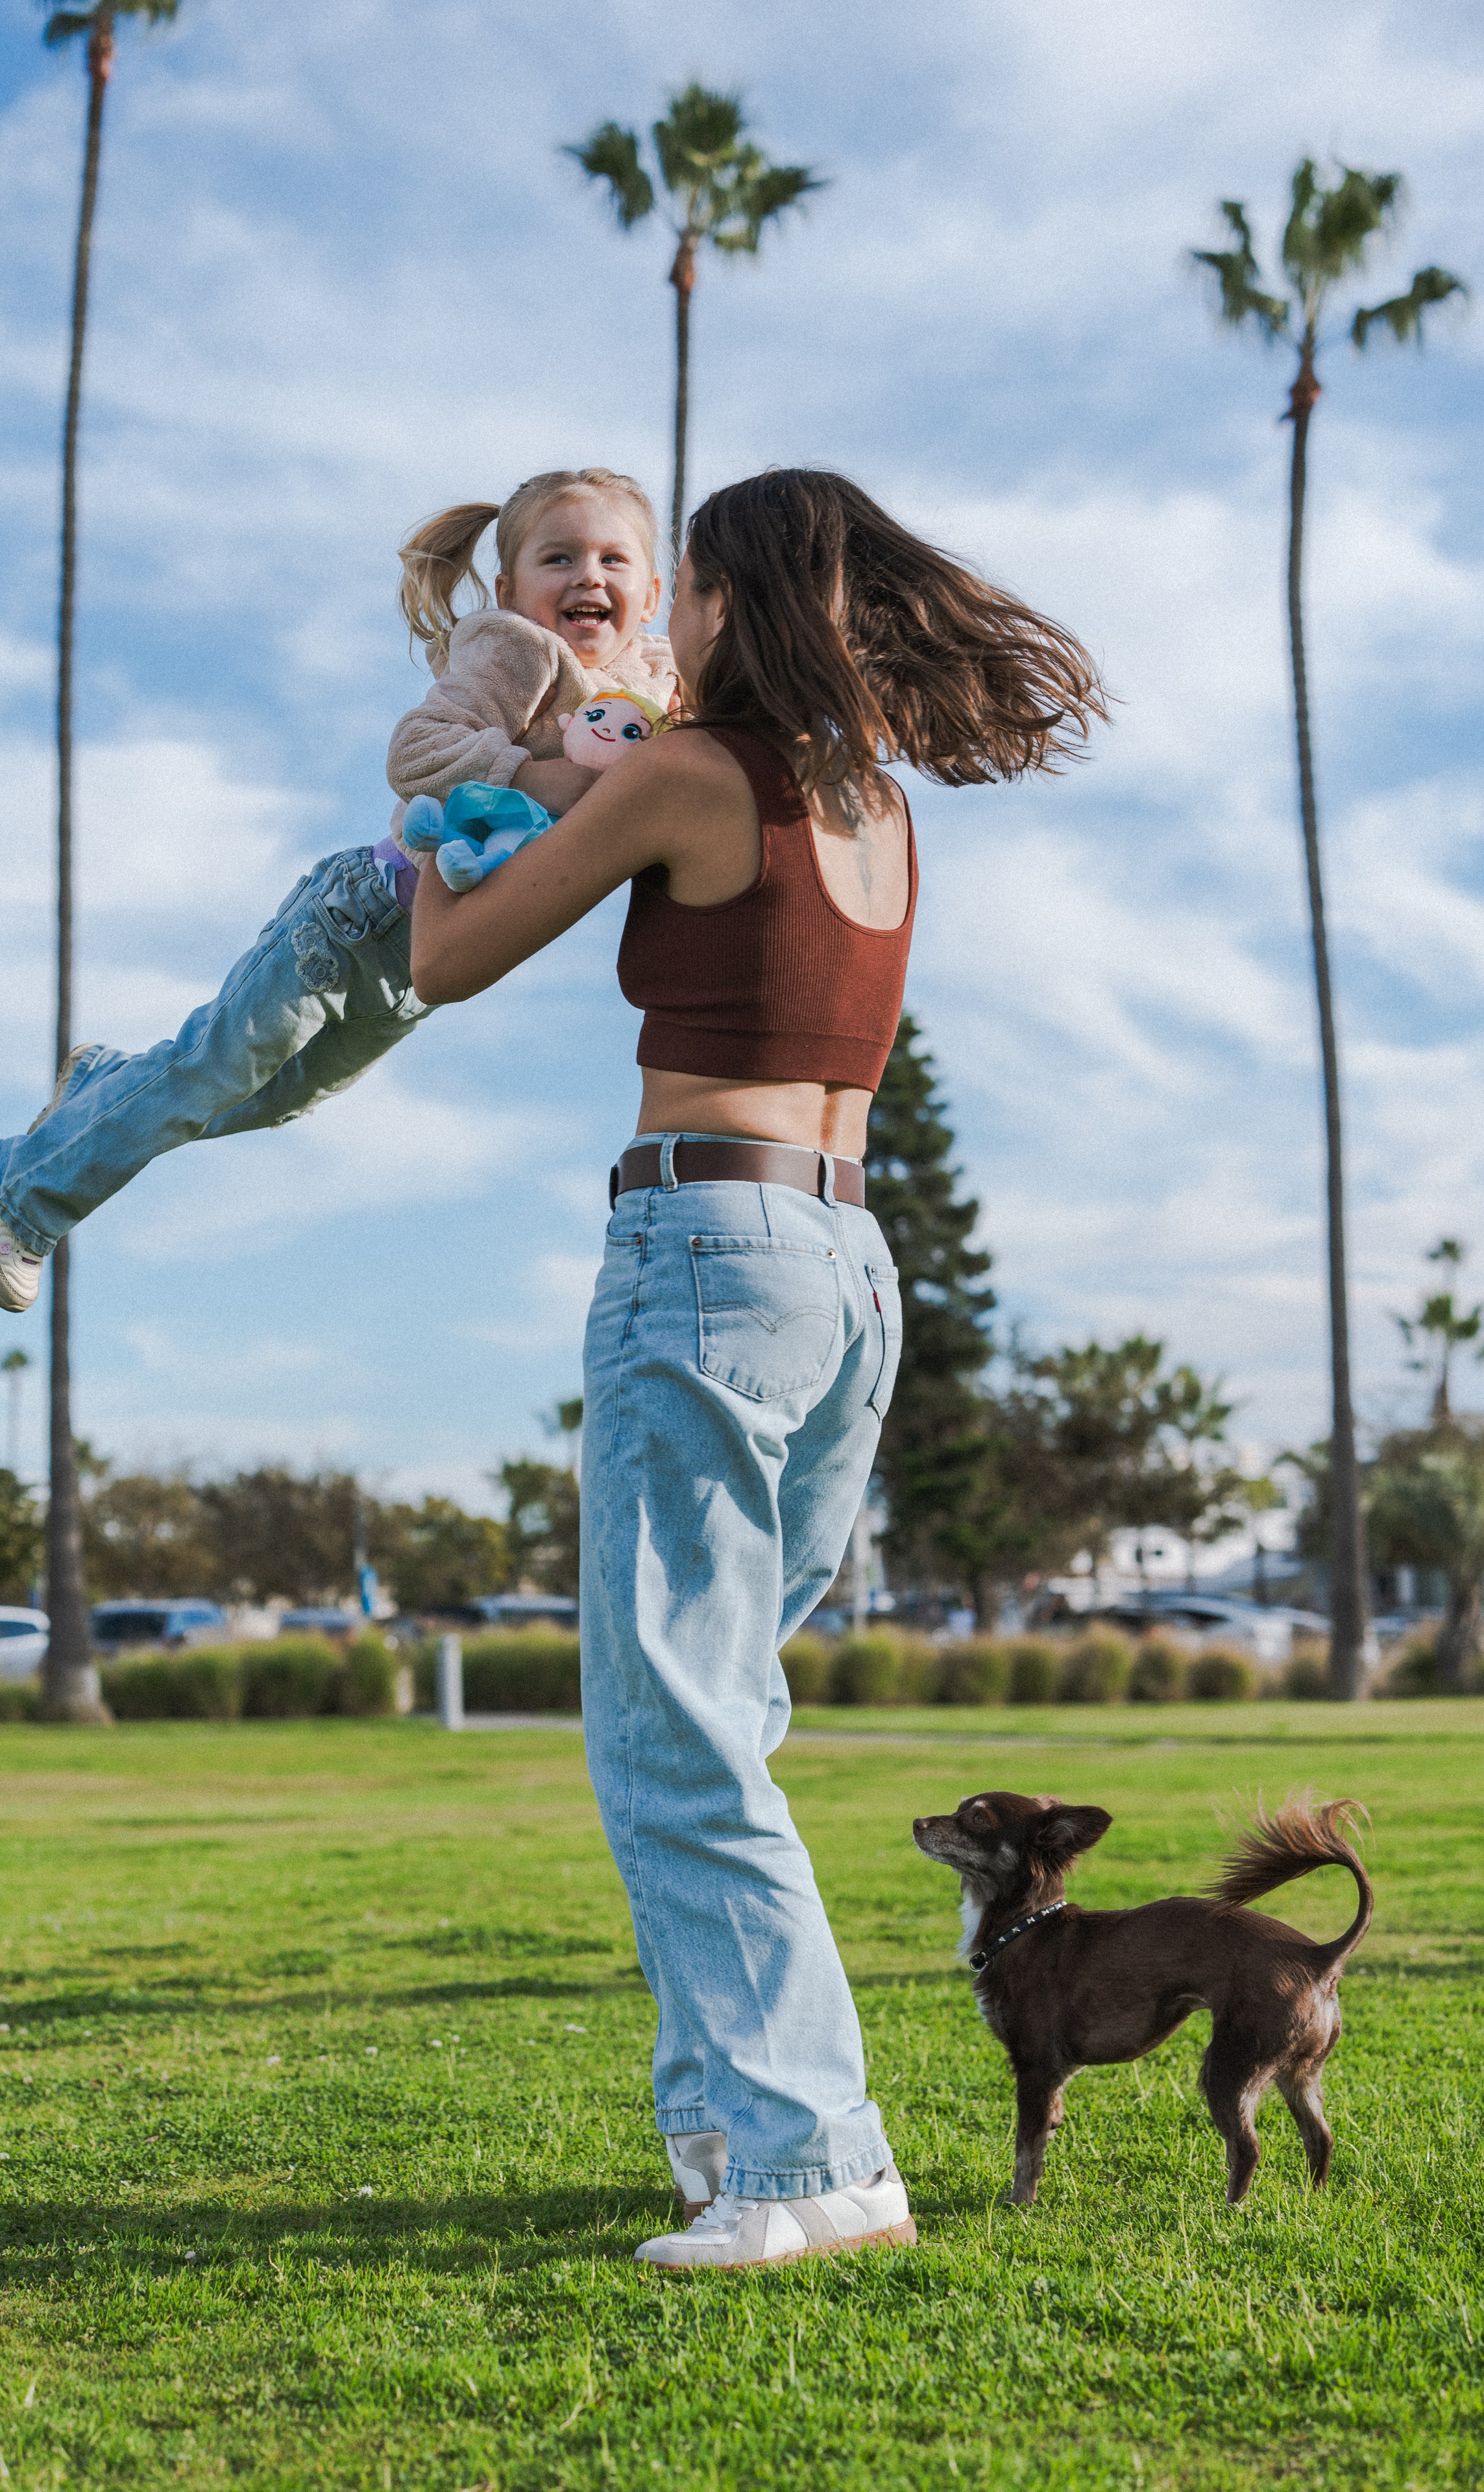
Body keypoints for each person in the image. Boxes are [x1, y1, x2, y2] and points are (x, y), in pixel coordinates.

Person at [409, 467, 1105, 2270]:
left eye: (682, 589)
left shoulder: (691, 774)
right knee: (724, 1716)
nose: (661, 613)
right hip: (847, 1268)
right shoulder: (874, 806)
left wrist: (446, 778)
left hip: (707, 1251)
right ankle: (746, 2134)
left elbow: (454, 951)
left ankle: (808, 2167)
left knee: (674, 1735)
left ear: (728, 599)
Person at [0, 468, 675, 1311]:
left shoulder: (658, 689)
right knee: (207, 1074)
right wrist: (542, 777)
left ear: (655, 591)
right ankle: (22, 1190)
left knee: (263, 1100)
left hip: (420, 973)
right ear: (509, 588)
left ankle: (105, 1088)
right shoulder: (519, 651)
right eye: (559, 558)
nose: (589, 576)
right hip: (359, 917)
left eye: (613, 560)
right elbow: (419, 750)